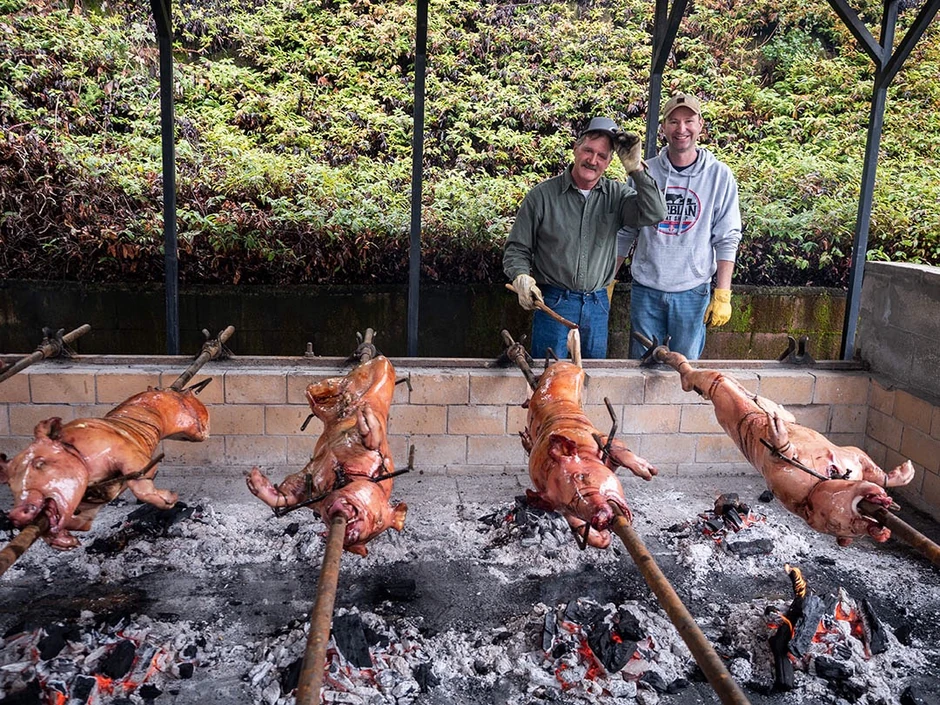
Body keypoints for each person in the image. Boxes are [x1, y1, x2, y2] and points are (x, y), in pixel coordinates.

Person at [503, 117, 666, 359]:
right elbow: (517, 248)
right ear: (575, 149)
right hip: (553, 301)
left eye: (602, 156)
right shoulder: (542, 196)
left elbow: (655, 213)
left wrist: (637, 170)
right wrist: (521, 277)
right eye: (588, 151)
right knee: (549, 376)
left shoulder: (617, 195)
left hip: (597, 303)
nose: (593, 160)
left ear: (610, 162)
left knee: (591, 378)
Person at [617, 93, 742, 360]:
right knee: (642, 369)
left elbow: (727, 237)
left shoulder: (719, 176)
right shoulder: (644, 172)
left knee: (684, 374)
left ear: (700, 125)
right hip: (646, 289)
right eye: (673, 122)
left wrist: (722, 293)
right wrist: (609, 278)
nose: (681, 129)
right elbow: (627, 230)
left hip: (692, 292)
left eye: (688, 121)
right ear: (663, 127)